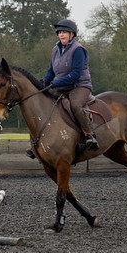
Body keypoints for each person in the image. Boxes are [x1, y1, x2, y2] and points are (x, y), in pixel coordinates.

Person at [26, 19, 99, 158]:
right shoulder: (55, 49)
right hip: (61, 87)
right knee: (46, 106)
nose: (61, 35)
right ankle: (39, 144)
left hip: (80, 86)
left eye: (64, 32)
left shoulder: (78, 50)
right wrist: (44, 81)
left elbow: (75, 74)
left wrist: (55, 83)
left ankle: (90, 135)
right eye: (59, 32)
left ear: (72, 34)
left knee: (76, 105)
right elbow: (51, 72)